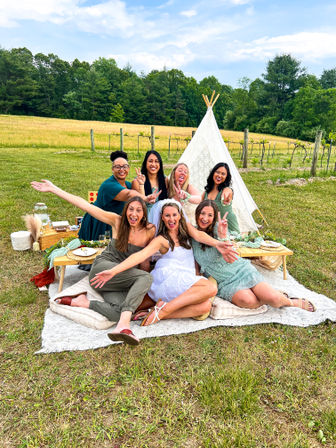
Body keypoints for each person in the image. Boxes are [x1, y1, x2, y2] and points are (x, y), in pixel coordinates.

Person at [31, 179, 161, 345]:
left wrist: (142, 281)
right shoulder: (117, 222)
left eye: (138, 210)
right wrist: (54, 188)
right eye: (130, 209)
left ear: (144, 213)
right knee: (145, 279)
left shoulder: (149, 230)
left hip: (114, 280)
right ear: (125, 210)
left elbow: (144, 260)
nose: (133, 214)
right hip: (102, 270)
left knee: (118, 311)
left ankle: (83, 302)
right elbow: (87, 206)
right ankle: (124, 326)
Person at [90, 199, 239, 326]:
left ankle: (158, 312)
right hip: (166, 278)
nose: (171, 219)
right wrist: (114, 270)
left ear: (180, 216)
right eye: (167, 215)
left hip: (183, 280)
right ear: (162, 217)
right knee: (210, 289)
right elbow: (141, 255)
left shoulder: (187, 232)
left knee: (205, 306)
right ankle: (165, 310)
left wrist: (218, 244)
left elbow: (199, 235)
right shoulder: (161, 239)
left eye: (174, 215)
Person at [192, 200, 316, 312]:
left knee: (273, 298)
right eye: (202, 213)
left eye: (210, 215)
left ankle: (290, 302)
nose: (205, 218)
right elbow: (194, 259)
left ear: (214, 218)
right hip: (224, 282)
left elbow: (229, 255)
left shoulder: (217, 229)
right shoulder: (193, 236)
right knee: (248, 301)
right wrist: (198, 277)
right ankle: (274, 297)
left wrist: (223, 236)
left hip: (240, 271)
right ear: (197, 214)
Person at [79, 150, 152, 241]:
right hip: (100, 222)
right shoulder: (109, 185)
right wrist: (146, 198)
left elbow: (139, 204)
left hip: (113, 223)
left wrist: (141, 185)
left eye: (125, 166)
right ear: (112, 169)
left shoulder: (128, 185)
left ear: (128, 168)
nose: (122, 169)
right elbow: (129, 194)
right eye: (118, 167)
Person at [202, 162, 240, 234]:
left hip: (229, 229)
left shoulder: (226, 190)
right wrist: (186, 196)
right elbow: (199, 200)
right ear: (213, 173)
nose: (219, 175)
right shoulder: (207, 191)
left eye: (223, 174)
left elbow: (227, 193)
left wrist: (225, 199)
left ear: (226, 177)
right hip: (214, 229)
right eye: (217, 172)